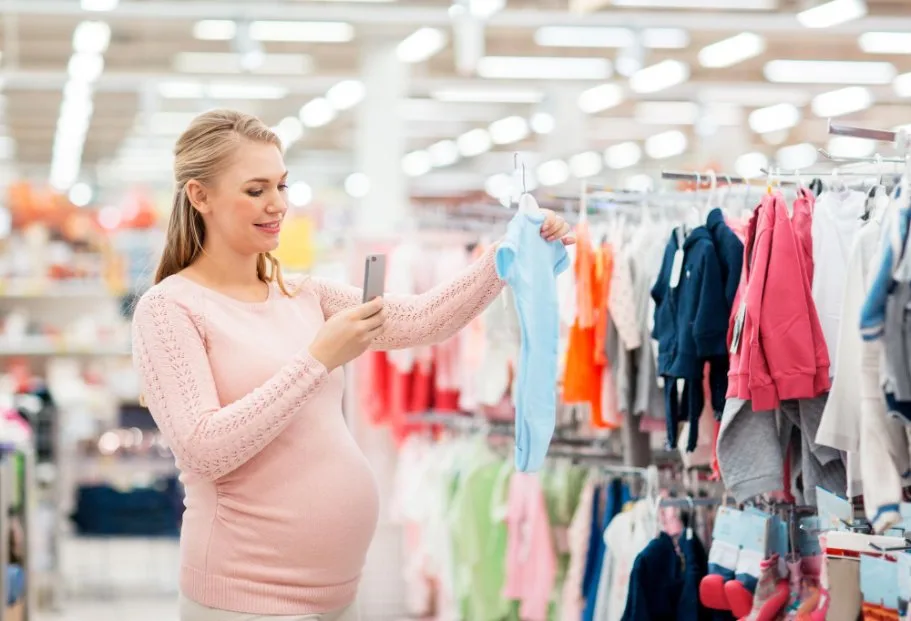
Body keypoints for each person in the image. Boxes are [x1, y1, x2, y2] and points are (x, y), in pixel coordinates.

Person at [131, 109, 574, 621]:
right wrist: (318, 358)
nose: (277, 205)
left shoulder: (302, 292)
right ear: (199, 196)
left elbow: (422, 320)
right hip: (245, 593)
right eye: (256, 190)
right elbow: (202, 448)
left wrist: (508, 253)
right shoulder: (168, 309)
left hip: (337, 591)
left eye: (281, 185)